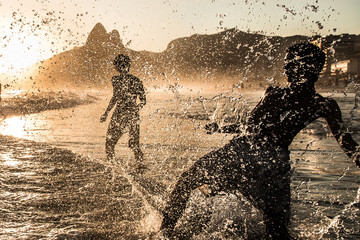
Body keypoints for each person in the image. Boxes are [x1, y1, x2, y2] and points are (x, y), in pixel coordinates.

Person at [160, 43, 360, 239]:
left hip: (244, 153)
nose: (286, 68)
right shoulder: (321, 104)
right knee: (277, 230)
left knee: (187, 181)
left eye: (291, 63)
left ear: (309, 67)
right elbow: (346, 142)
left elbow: (253, 130)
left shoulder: (276, 94)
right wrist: (221, 128)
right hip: (273, 163)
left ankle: (163, 234)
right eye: (286, 63)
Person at [100, 54, 147, 173]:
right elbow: (115, 97)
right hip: (127, 114)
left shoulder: (132, 80)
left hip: (124, 113)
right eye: (119, 66)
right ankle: (118, 167)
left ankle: (133, 167)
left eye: (122, 66)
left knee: (117, 144)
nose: (121, 69)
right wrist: (106, 113)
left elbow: (143, 100)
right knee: (116, 144)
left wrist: (136, 108)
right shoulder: (117, 80)